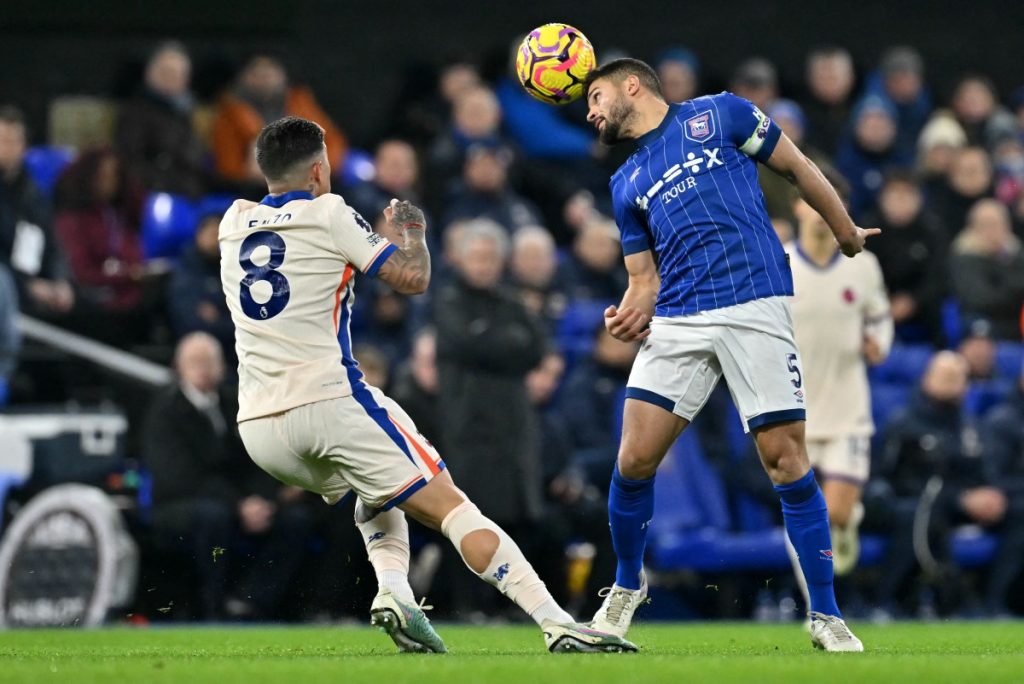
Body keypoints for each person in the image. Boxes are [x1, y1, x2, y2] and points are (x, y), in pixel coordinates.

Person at [217, 116, 634, 653]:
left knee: (378, 491)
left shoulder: (232, 222)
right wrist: (411, 228)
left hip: (259, 427)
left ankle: (395, 592)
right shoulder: (329, 212)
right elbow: (412, 280)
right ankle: (558, 622)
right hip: (328, 401)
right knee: (454, 507)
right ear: (319, 170)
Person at [582, 58, 878, 651]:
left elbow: (796, 166)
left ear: (631, 86)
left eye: (595, 96)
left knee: (785, 461)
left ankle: (825, 614)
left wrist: (845, 230)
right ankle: (625, 587)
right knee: (634, 459)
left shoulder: (721, 113)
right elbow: (642, 279)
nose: (590, 112)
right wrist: (628, 312)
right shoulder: (624, 183)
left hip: (754, 301)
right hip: (679, 319)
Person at [143, 332, 313, 620]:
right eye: (194, 362)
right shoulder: (165, 412)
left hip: (235, 499)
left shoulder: (234, 403)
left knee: (296, 519)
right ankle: (213, 608)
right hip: (180, 502)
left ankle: (252, 601)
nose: (203, 368)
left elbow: (254, 456)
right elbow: (182, 476)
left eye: (209, 361)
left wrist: (263, 498)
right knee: (214, 517)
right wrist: (239, 504)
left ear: (222, 367)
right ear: (178, 367)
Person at [783, 173, 893, 596]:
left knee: (838, 514)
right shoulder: (782, 262)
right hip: (796, 410)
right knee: (808, 515)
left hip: (848, 408)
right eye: (811, 204)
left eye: (827, 206)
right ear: (797, 208)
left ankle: (846, 528)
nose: (818, 215)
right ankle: (816, 603)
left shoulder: (862, 265)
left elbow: (881, 317)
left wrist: (877, 342)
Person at [0, 106, 74, 316]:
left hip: (36, 284)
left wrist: (60, 280)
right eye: (1, 140)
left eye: (11, 141)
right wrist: (26, 285)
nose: (5, 147)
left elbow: (52, 242)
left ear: (23, 146)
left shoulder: (33, 193)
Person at [115, 41, 211, 197]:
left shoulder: (188, 114)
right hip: (152, 195)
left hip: (190, 195)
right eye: (165, 72)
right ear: (149, 74)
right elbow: (131, 161)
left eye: (177, 74)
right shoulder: (134, 113)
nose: (170, 79)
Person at [949, 199, 1024, 340]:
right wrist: (1013, 292)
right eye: (985, 225)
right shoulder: (963, 257)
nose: (992, 231)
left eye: (996, 224)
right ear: (972, 228)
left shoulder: (1017, 254)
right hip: (981, 325)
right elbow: (980, 299)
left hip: (1016, 322)